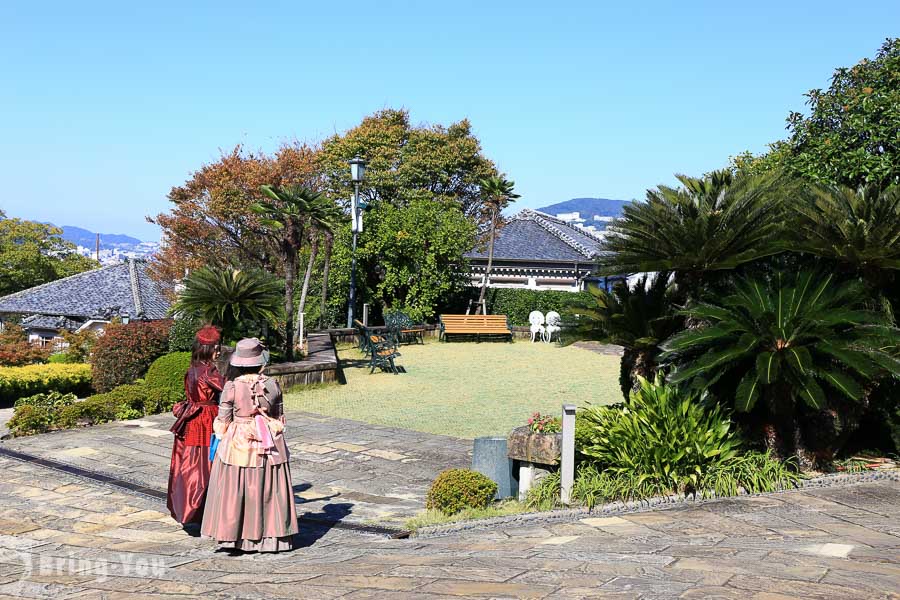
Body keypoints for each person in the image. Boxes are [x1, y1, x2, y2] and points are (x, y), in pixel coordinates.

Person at [201, 338, 298, 552]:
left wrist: (221, 435)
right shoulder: (272, 384)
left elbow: (223, 420)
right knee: (268, 487)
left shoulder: (232, 387)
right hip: (269, 440)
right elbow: (279, 416)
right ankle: (271, 538)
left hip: (239, 440)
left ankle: (235, 536)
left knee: (237, 486)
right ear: (259, 361)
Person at [167, 325, 225, 525]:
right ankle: (202, 508)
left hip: (192, 417)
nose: (219, 351)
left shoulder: (192, 368)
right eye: (217, 347)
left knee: (190, 461)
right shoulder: (209, 371)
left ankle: (187, 505)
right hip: (206, 417)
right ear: (210, 349)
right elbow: (227, 390)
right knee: (205, 462)